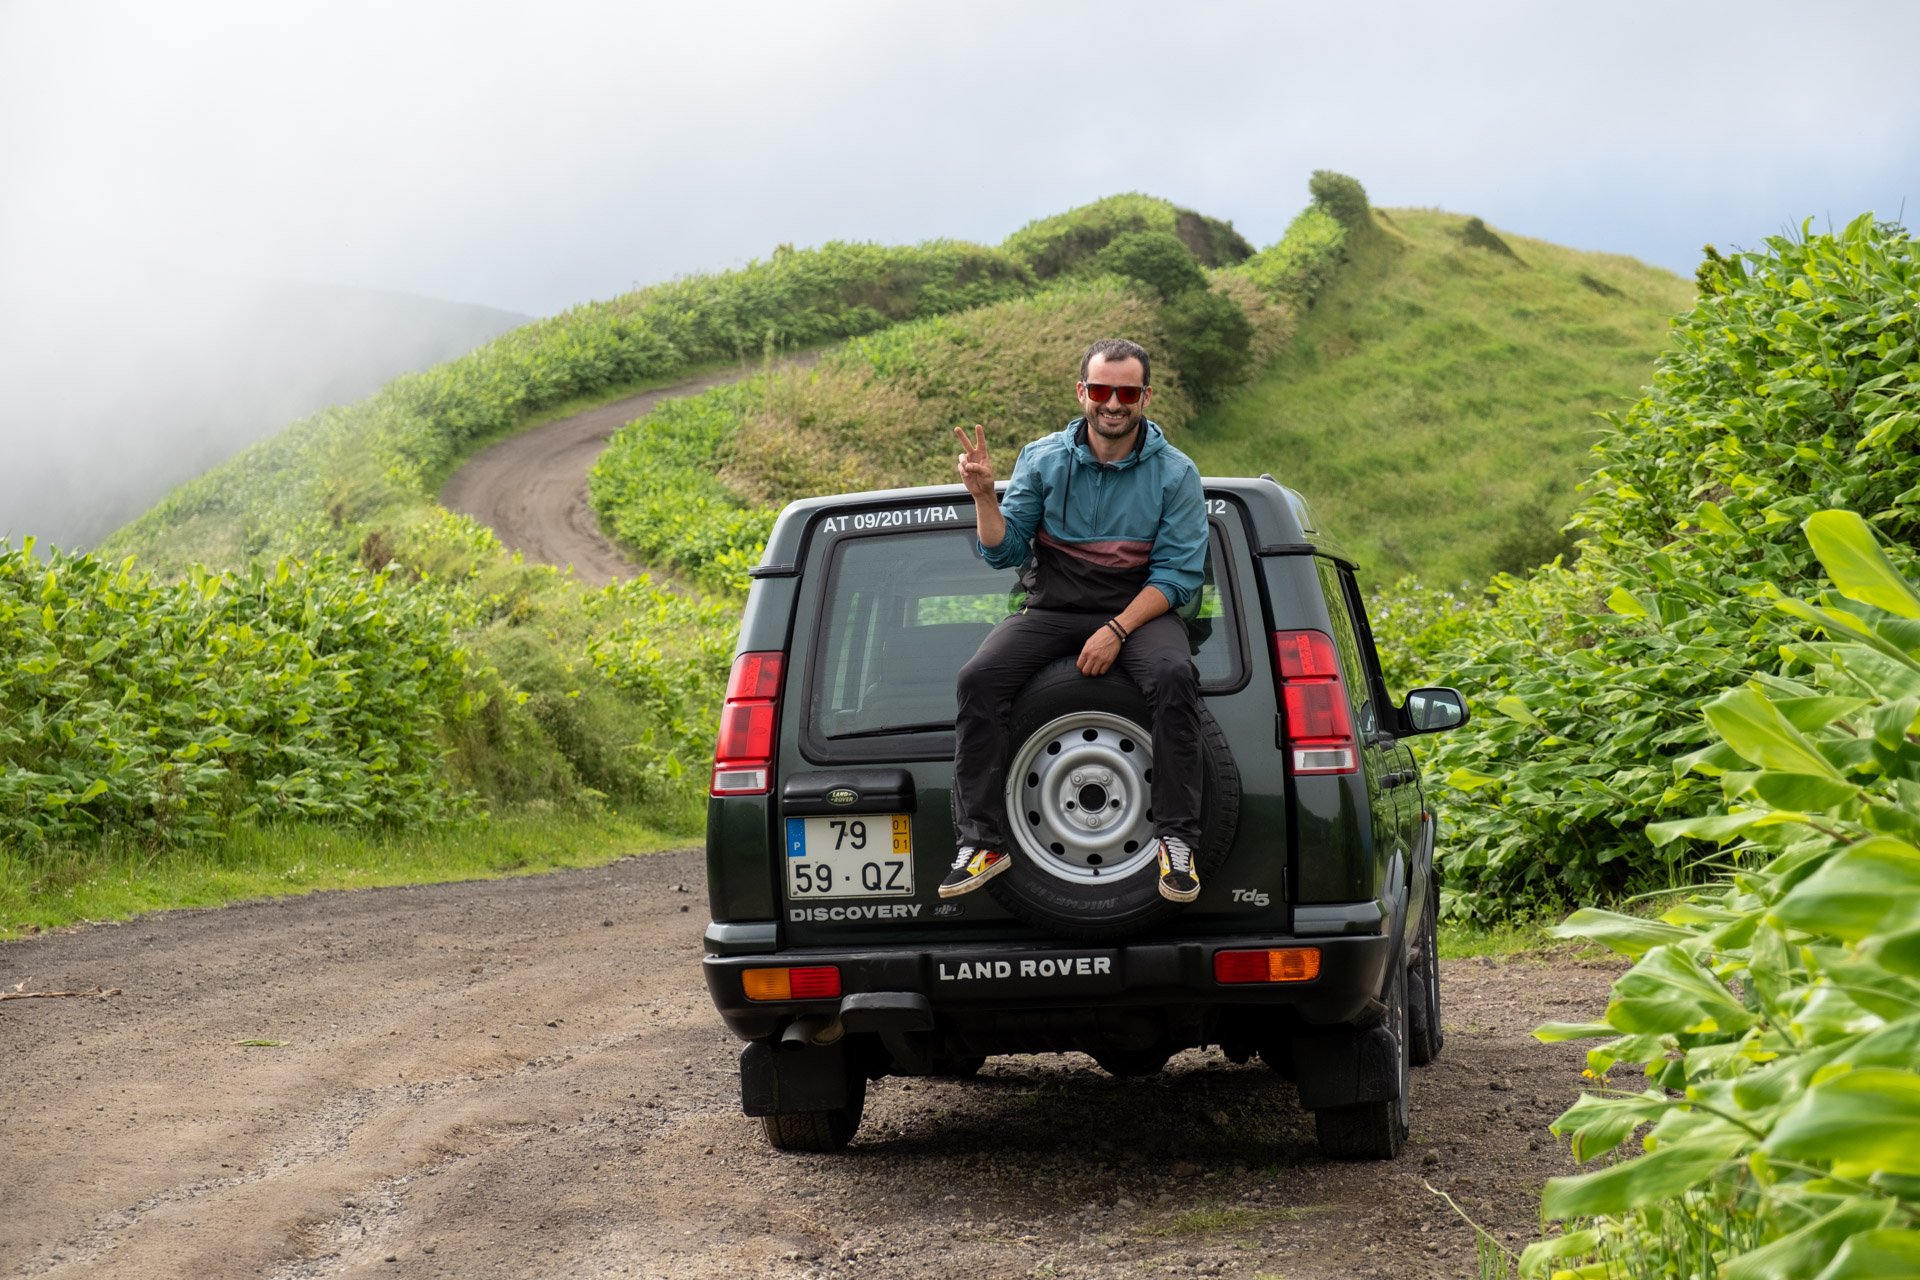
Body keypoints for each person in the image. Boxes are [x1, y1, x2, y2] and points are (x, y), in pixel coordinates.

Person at [939, 338, 1209, 904]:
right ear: (1082, 392)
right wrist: (986, 496)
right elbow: (1005, 551)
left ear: (1145, 397)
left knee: (1173, 677)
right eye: (1103, 389)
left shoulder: (1175, 473)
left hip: (1138, 610)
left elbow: (1179, 578)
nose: (1114, 403)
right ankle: (982, 841)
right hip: (1054, 607)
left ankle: (1176, 840)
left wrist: (1116, 630)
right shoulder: (1042, 459)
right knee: (977, 679)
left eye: (1127, 392)